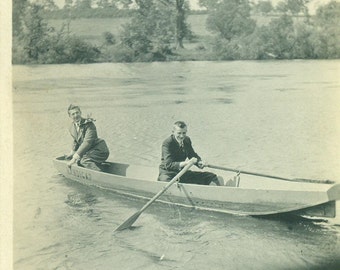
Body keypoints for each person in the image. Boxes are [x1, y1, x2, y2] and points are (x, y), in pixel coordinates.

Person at [158, 121, 221, 185]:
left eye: (184, 133)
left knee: (211, 176)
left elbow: (192, 154)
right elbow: (169, 165)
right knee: (168, 185)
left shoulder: (187, 140)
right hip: (168, 174)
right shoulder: (167, 143)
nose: (182, 136)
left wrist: (199, 162)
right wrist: (187, 163)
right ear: (173, 132)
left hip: (182, 172)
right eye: (179, 133)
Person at [65, 104, 109, 171]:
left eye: (77, 112)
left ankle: (100, 175)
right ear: (70, 116)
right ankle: (101, 166)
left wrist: (74, 158)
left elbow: (87, 142)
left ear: (80, 112)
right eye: (73, 114)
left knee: (84, 161)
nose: (76, 115)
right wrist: (72, 152)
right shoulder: (71, 127)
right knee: (79, 161)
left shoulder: (89, 124)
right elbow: (76, 140)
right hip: (89, 152)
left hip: (99, 150)